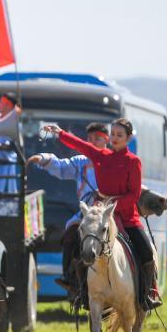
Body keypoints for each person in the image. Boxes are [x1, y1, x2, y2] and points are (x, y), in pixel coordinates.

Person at [42, 118, 163, 311]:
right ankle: (78, 288)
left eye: (119, 135)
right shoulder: (101, 156)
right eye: (113, 134)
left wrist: (112, 204)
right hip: (100, 214)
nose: (115, 138)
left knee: (146, 251)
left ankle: (147, 294)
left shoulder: (134, 161)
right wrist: (59, 133)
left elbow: (133, 195)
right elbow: (80, 145)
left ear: (128, 138)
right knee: (79, 241)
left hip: (126, 216)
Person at [26, 121, 109, 295]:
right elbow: (61, 167)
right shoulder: (80, 162)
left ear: (106, 140)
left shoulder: (111, 161)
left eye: (98, 138)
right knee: (70, 236)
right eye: (91, 138)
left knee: (132, 240)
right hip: (86, 214)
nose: (94, 141)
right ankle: (69, 278)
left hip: (108, 214)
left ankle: (141, 287)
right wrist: (43, 158)